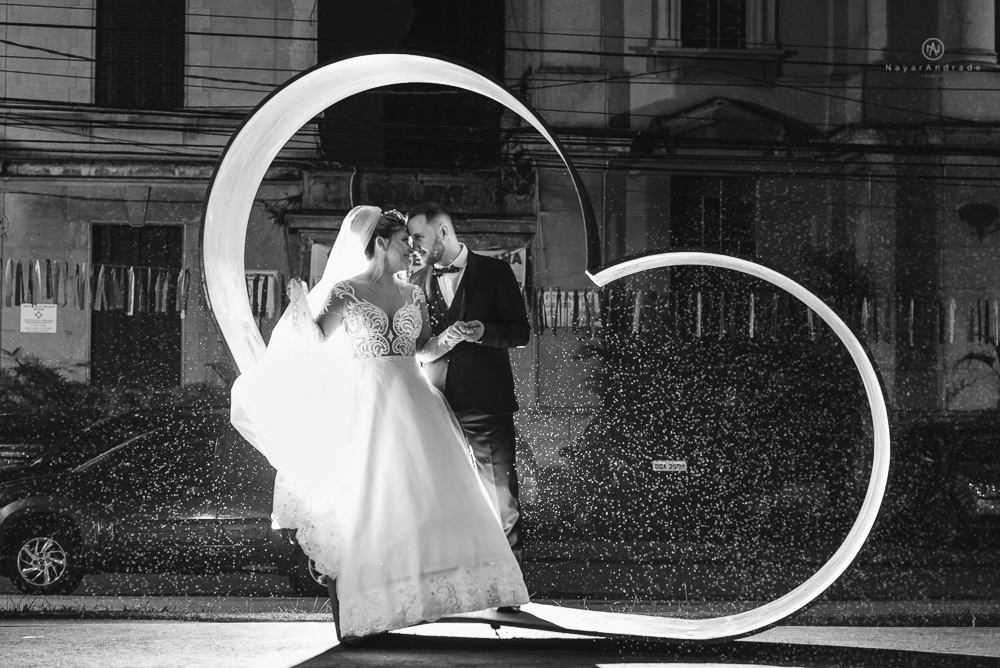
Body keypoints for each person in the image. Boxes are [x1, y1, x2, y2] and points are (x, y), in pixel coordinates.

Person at [230, 205, 529, 643]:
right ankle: (364, 608)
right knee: (369, 504)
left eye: (414, 240)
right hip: (367, 402)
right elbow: (314, 342)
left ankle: (417, 597)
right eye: (404, 241)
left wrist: (453, 336)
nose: (412, 247)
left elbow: (423, 349)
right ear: (381, 244)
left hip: (414, 399)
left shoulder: (413, 294)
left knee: (423, 502)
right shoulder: (345, 292)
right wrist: (298, 309)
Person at [406, 203, 530, 602]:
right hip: (434, 403)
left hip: (486, 403)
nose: (414, 247)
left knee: (501, 495)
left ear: (442, 233)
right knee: (444, 498)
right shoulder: (415, 280)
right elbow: (419, 345)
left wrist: (483, 332)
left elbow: (521, 331)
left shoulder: (494, 272)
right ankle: (455, 584)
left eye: (419, 238)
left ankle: (509, 587)